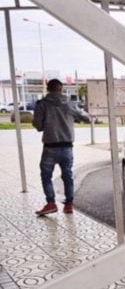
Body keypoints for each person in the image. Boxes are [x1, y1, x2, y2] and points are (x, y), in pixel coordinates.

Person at [32, 79, 91, 216]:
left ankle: (51, 203)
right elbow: (86, 118)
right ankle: (69, 205)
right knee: (67, 176)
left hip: (49, 147)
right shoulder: (69, 104)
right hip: (66, 147)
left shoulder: (42, 105)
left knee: (46, 176)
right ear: (61, 89)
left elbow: (39, 126)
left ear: (48, 89)